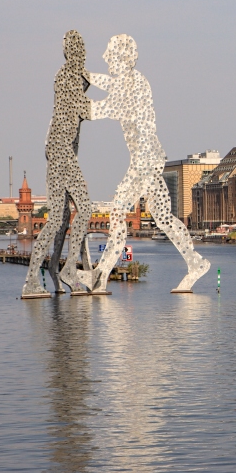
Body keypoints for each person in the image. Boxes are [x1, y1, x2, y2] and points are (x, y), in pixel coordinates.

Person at [87, 34, 211, 293]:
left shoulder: (134, 83)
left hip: (145, 160)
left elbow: (107, 108)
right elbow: (110, 84)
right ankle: (195, 262)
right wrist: (87, 75)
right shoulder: (130, 81)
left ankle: (100, 275)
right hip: (150, 158)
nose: (105, 57)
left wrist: (79, 105)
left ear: (122, 57)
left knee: (118, 211)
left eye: (110, 53)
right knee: (163, 216)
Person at [22, 30, 94, 297]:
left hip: (59, 152)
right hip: (61, 151)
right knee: (85, 209)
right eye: (76, 49)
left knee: (60, 219)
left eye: (81, 48)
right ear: (68, 52)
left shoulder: (72, 76)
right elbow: (84, 109)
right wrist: (119, 105)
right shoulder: (67, 77)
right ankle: (67, 271)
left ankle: (47, 272)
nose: (80, 53)